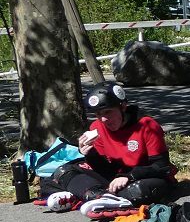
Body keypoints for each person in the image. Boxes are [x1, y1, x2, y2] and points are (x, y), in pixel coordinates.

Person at [39, 82, 176, 210]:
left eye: (108, 112)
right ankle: (99, 196)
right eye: (98, 114)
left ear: (122, 107)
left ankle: (88, 195)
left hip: (143, 177)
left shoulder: (146, 125)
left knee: (138, 190)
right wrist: (90, 154)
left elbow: (161, 166)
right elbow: (104, 170)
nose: (103, 119)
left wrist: (130, 176)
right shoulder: (96, 128)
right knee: (63, 171)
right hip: (115, 178)